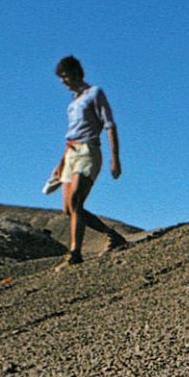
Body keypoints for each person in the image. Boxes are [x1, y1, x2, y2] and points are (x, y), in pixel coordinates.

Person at [44, 55, 129, 265]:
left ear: (76, 73)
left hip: (88, 150)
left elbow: (109, 125)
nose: (63, 81)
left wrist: (115, 158)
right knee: (68, 208)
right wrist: (60, 164)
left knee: (76, 201)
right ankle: (112, 235)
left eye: (65, 76)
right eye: (61, 78)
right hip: (70, 152)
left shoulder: (95, 93)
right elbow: (70, 136)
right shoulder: (72, 104)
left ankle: (75, 253)